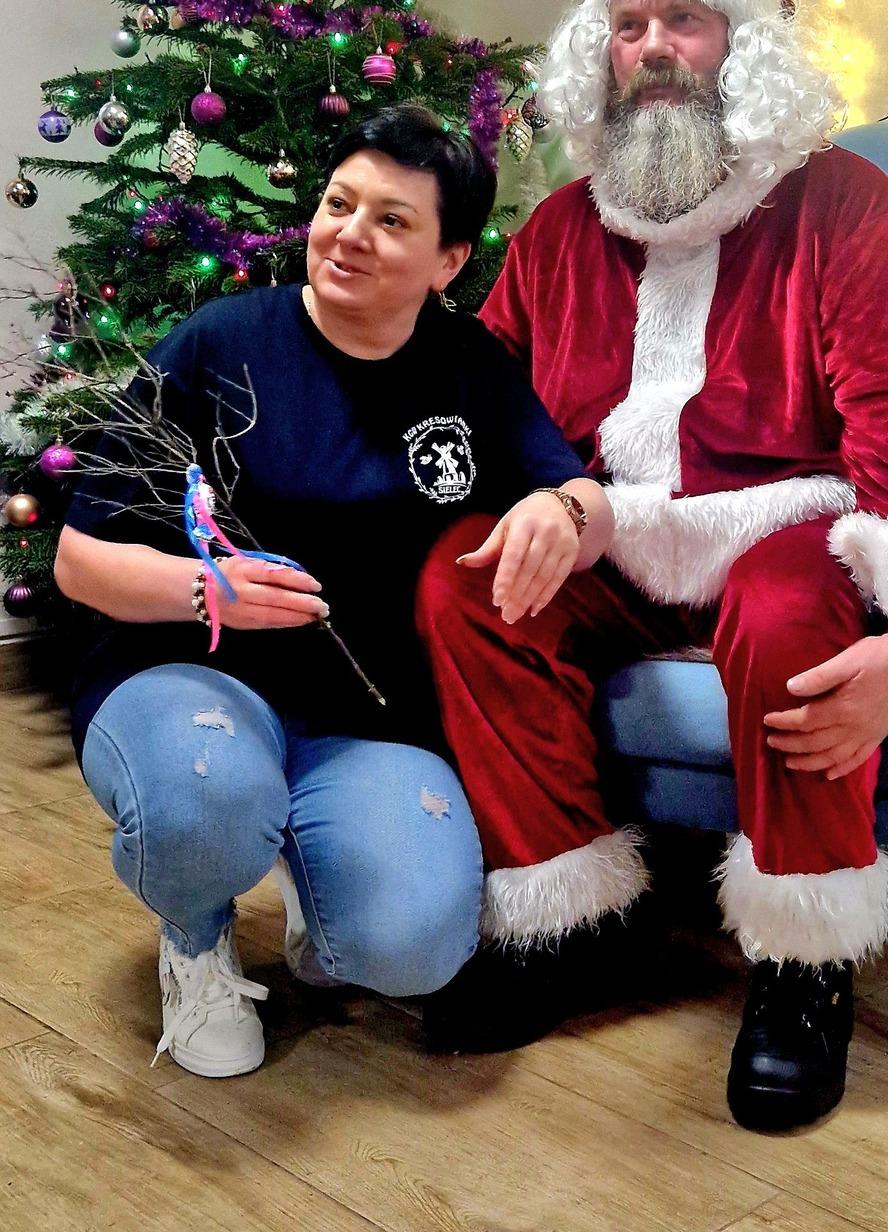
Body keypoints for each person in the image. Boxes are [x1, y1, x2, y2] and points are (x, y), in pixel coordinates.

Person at [415, 0, 888, 1131]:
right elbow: (495, 401)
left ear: (747, 42)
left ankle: (802, 963)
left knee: (788, 607)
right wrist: (539, 501)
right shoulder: (564, 226)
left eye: (684, 17)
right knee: (467, 578)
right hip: (613, 536)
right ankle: (574, 920)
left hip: (782, 529)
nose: (653, 48)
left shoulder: (844, 204)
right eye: (630, 23)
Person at [55, 103, 610, 1080]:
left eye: (392, 220)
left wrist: (562, 508)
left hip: (364, 715)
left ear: (448, 261)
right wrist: (206, 590)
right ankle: (195, 936)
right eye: (338, 204)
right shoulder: (220, 342)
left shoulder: (469, 365)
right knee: (204, 801)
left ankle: (319, 873)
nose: (349, 233)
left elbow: (576, 495)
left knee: (411, 948)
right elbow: (77, 559)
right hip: (187, 675)